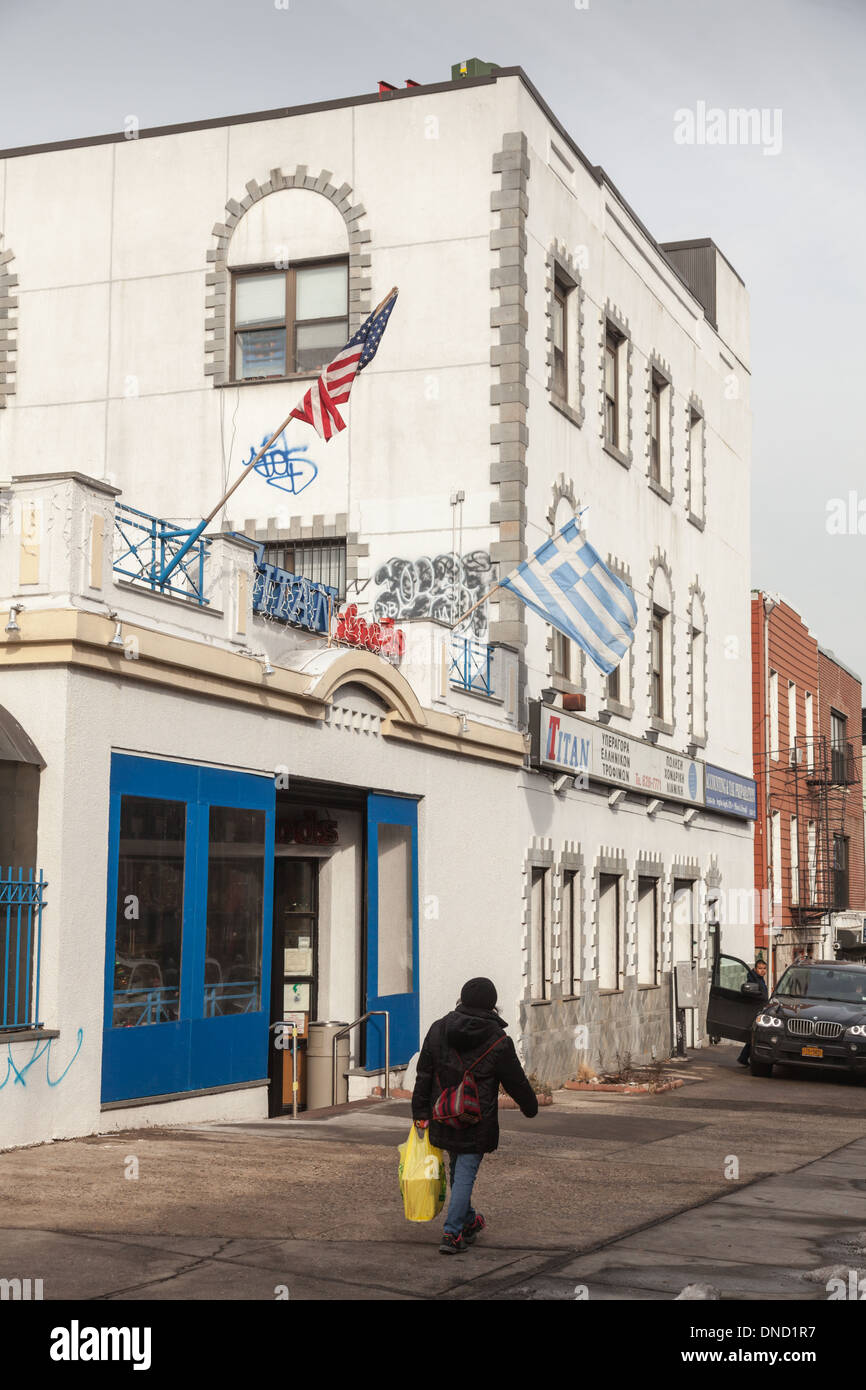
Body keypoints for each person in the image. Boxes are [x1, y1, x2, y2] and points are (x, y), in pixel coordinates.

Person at [411, 977, 538, 1254]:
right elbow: (515, 1081)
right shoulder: (498, 1040)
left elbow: (424, 1074)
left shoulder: (438, 1029)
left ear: (462, 1000)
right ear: (493, 1006)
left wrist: (420, 1113)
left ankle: (469, 1221)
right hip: (476, 1118)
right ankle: (452, 1233)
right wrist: (530, 1107)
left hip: (443, 1114)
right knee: (464, 1173)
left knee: (459, 1171)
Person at [737, 958, 769, 1066]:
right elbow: (753, 994)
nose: (762, 971)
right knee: (755, 1036)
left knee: (755, 1036)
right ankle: (745, 1057)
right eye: (760, 968)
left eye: (764, 968)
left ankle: (744, 1057)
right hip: (754, 1010)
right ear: (755, 969)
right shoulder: (753, 980)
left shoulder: (760, 979)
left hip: (760, 1010)